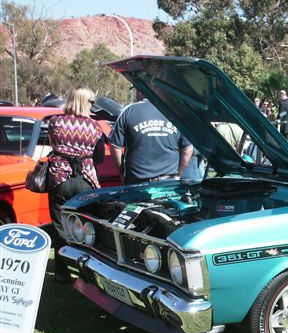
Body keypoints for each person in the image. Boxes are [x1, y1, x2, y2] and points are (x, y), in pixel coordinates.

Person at [47, 86, 103, 283]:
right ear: (86, 102)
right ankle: (87, 272)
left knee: (60, 226)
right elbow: (99, 157)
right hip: (86, 179)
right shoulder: (95, 126)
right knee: (87, 226)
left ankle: (62, 273)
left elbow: (52, 145)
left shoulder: (55, 122)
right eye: (91, 102)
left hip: (60, 178)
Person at [108, 90, 193, 185]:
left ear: (141, 92)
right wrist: (179, 174)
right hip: (168, 182)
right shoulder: (175, 113)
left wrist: (122, 172)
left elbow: (115, 147)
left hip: (137, 182)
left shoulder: (128, 111)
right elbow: (188, 148)